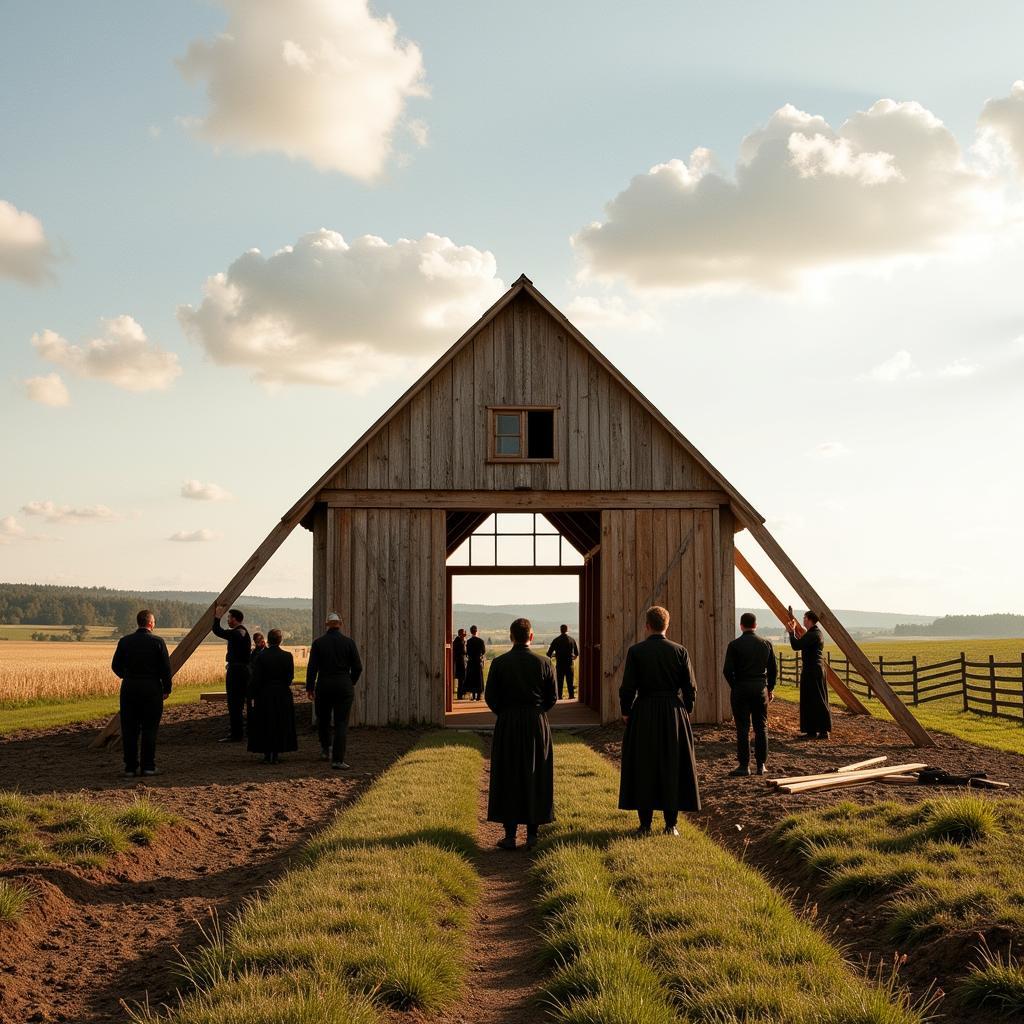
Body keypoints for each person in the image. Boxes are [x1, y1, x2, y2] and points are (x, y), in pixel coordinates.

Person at [618, 606, 701, 835]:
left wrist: (626, 711)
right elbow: (690, 687)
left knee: (644, 765)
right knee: (672, 765)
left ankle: (645, 825)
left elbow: (627, 687)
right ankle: (671, 825)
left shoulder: (636, 651)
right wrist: (687, 709)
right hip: (673, 712)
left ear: (647, 626)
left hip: (644, 710)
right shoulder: (680, 651)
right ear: (667, 625)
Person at [485, 617, 556, 850]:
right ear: (531, 637)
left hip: (508, 720)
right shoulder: (545, 662)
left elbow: (490, 697)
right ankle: (533, 834)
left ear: (511, 636)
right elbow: (552, 698)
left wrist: (505, 713)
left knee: (508, 773)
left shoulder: (499, 663)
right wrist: (536, 712)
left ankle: (509, 835)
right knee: (536, 772)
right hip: (536, 721)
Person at [112, 609, 172, 777]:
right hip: (152, 688)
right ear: (151, 623)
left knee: (129, 728)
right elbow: (166, 669)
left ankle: (130, 767)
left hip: (130, 688)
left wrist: (128, 676)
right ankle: (148, 766)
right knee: (149, 729)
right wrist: (166, 689)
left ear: (138, 623)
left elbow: (115, 665)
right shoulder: (158, 642)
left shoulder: (125, 641)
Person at [306, 612, 363, 769]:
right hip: (343, 685)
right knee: (341, 723)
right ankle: (338, 760)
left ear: (326, 625)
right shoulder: (349, 643)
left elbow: (312, 668)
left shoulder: (318, 643)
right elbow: (358, 667)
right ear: (340, 624)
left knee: (323, 719)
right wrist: (350, 682)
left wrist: (310, 687)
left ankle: (325, 749)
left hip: (324, 685)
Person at [723, 612, 777, 776]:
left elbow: (727, 671)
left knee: (743, 728)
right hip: (760, 688)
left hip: (741, 687)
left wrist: (735, 686)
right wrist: (770, 688)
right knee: (761, 727)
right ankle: (761, 765)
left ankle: (744, 766)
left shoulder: (734, 645)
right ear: (756, 625)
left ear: (741, 625)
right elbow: (774, 670)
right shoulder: (765, 644)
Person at [247, 628, 298, 765]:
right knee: (280, 723)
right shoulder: (288, 656)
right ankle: (276, 754)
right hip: (282, 694)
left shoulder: (261, 657)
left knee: (265, 723)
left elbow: (256, 678)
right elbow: (289, 678)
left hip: (265, 694)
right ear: (280, 640)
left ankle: (266, 754)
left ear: (268, 641)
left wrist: (252, 694)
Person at [785, 610, 831, 740]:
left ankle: (823, 731)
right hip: (811, 669)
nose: (803, 620)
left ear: (809, 620)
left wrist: (791, 631)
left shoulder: (814, 634)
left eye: (804, 618)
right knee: (808, 700)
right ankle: (810, 731)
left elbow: (796, 645)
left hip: (814, 670)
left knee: (818, 700)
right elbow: (802, 642)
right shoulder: (812, 633)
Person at [211, 605, 251, 743]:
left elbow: (217, 630)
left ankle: (236, 734)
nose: (227, 620)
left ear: (234, 619)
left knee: (234, 703)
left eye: (228, 617)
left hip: (236, 672)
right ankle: (240, 732)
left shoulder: (237, 633)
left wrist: (217, 616)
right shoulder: (243, 632)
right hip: (242, 670)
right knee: (240, 702)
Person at [546, 624, 580, 701]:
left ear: (560, 630)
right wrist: (573, 657)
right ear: (567, 630)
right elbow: (576, 653)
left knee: (559, 682)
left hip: (560, 665)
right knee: (570, 682)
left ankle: (559, 697)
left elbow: (549, 654)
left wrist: (555, 654)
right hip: (569, 664)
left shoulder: (556, 640)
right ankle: (571, 696)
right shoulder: (572, 640)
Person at [465, 625, 486, 701]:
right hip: (477, 661)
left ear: (471, 632)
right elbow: (483, 651)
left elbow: (467, 652)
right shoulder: (481, 641)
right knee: (478, 678)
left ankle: (473, 695)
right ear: (476, 631)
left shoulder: (469, 641)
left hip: (471, 662)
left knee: (472, 678)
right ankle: (478, 696)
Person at [453, 628, 468, 699]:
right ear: (460, 634)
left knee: (461, 679)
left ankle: (460, 694)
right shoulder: (459, 641)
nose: (465, 634)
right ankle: (460, 695)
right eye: (464, 633)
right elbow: (463, 651)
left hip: (459, 662)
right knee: (461, 679)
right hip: (461, 662)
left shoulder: (457, 640)